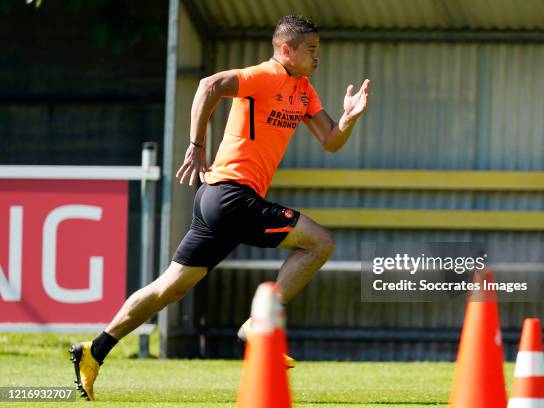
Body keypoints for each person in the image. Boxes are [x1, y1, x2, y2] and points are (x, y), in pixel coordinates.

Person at [69, 15, 370, 401]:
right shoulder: (264, 75)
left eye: (318, 50)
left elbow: (331, 141)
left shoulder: (304, 90)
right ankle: (257, 325)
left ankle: (94, 352)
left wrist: (347, 119)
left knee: (168, 288)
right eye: (311, 49)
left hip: (221, 201)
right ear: (285, 50)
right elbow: (208, 85)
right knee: (319, 243)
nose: (317, 56)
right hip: (230, 195)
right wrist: (196, 146)